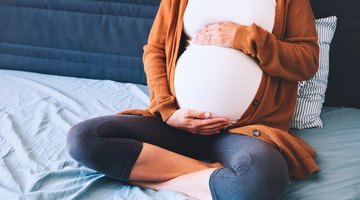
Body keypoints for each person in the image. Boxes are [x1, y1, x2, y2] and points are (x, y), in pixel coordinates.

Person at [66, 0, 319, 199]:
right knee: (85, 139)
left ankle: (153, 175)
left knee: (261, 180)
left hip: (243, 132)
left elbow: (306, 61)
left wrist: (243, 37)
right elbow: (155, 50)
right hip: (177, 123)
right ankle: (211, 174)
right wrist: (167, 111)